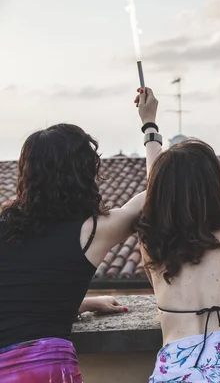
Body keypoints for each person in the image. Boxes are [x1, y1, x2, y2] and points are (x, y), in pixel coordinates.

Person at [0, 88, 160, 383]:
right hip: (47, 369)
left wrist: (80, 303)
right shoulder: (93, 230)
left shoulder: (4, 222)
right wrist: (149, 125)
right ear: (85, 171)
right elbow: (158, 189)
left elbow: (17, 296)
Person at [139, 99, 220, 383]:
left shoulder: (152, 240)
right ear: (214, 179)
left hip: (175, 368)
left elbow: (156, 191)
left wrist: (150, 127)